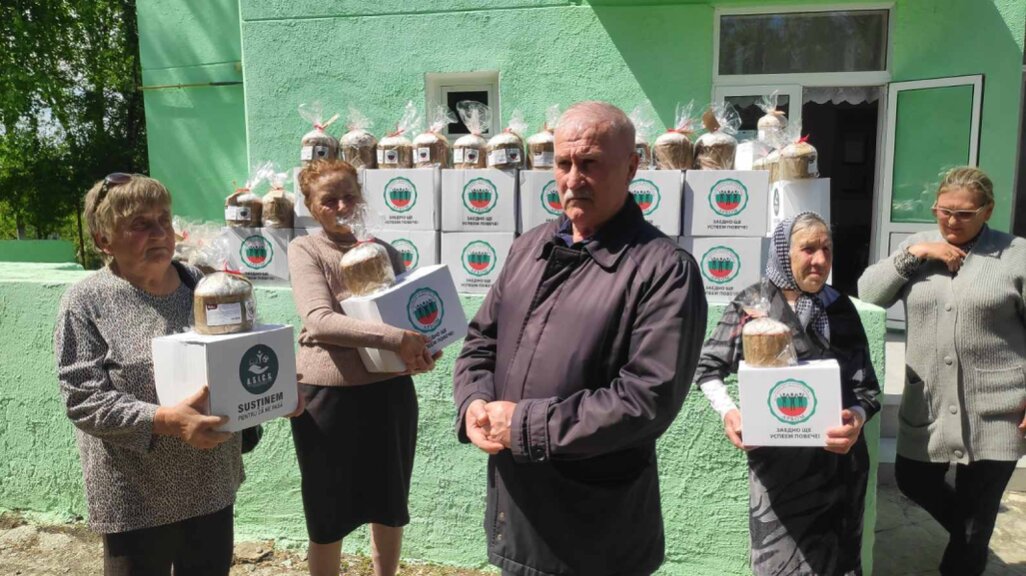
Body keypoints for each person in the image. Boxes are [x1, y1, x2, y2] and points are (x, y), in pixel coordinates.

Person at [452, 101, 708, 576]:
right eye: (564, 163)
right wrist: (473, 403)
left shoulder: (664, 270)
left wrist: (524, 425)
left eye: (590, 163)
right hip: (518, 516)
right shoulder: (529, 248)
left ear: (631, 167)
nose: (573, 179)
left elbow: (646, 400)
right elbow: (481, 342)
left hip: (597, 535)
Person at [53, 173, 244, 575]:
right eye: (140, 224)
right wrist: (167, 420)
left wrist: (277, 388)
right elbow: (84, 399)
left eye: (164, 220)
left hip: (210, 482)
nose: (159, 233)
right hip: (136, 495)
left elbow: (239, 352)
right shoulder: (86, 302)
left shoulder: (203, 285)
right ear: (104, 240)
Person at [858, 166, 1026, 576]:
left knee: (975, 517)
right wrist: (918, 254)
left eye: (965, 214)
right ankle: (973, 536)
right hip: (928, 403)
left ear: (988, 210)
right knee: (914, 480)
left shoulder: (1016, 255)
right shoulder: (917, 247)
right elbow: (869, 294)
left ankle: (970, 545)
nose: (951, 221)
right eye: (943, 211)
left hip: (997, 409)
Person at [694, 211, 881, 576]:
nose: (821, 260)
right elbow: (707, 368)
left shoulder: (839, 308)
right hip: (779, 473)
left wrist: (856, 420)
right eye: (808, 249)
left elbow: (867, 387)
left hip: (838, 468)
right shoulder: (754, 304)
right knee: (777, 564)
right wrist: (730, 413)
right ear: (784, 252)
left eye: (827, 249)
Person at [288, 159, 438, 576]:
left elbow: (410, 317)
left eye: (349, 196)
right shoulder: (306, 249)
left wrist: (424, 349)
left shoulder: (383, 251)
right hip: (327, 397)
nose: (341, 206)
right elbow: (319, 320)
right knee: (327, 511)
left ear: (361, 197)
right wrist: (397, 339)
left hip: (389, 392)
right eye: (328, 200)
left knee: (389, 503)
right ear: (310, 206)